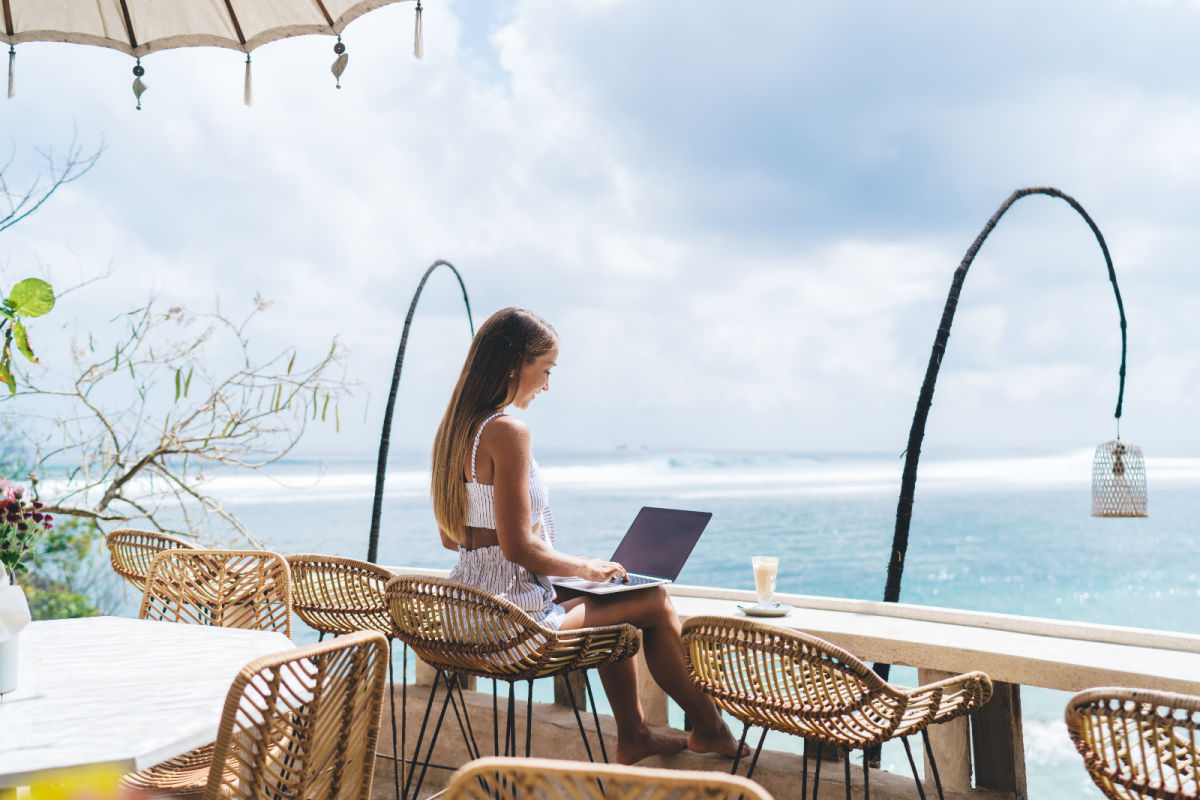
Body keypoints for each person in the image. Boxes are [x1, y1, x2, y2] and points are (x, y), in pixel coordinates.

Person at [431, 307, 744, 765]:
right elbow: (518, 546)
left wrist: (561, 574)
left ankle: (635, 736)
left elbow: (452, 539)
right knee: (654, 603)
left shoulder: (455, 431)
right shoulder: (506, 430)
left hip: (470, 613)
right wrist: (586, 567)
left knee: (613, 608)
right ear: (517, 365)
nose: (547, 384)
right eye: (546, 370)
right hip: (513, 625)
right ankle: (711, 730)